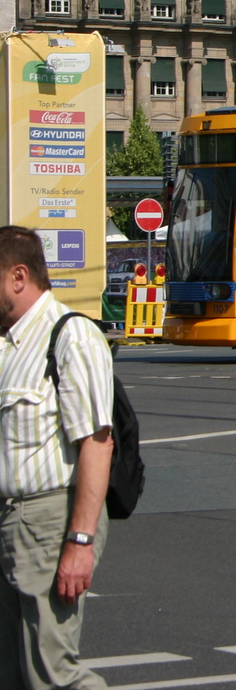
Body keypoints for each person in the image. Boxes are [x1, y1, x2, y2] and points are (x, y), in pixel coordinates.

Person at [0, 226, 115, 690]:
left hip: (47, 519)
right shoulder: (8, 345)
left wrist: (80, 542)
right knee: (11, 671)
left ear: (18, 276)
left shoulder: (71, 336)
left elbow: (96, 443)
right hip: (10, 519)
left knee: (52, 673)